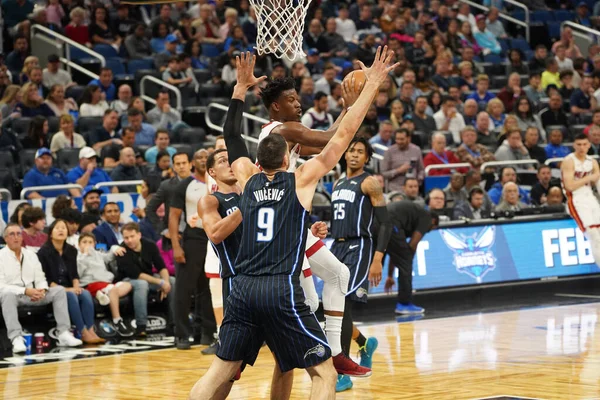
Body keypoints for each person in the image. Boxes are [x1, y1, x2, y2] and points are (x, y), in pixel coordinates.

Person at [188, 48, 395, 400]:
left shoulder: (246, 178)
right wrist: (371, 86)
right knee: (324, 375)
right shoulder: (300, 180)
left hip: (242, 290)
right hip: (279, 289)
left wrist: (240, 88)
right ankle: (336, 347)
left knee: (217, 375)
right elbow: (341, 137)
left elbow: (232, 133)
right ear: (287, 155)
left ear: (256, 160)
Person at [253, 59, 374, 383]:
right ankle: (318, 354)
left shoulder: (280, 135)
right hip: (280, 229)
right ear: (276, 107)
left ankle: (334, 353)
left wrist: (344, 112)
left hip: (287, 222)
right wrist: (351, 105)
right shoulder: (283, 129)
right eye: (292, 100)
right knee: (311, 294)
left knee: (336, 276)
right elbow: (330, 139)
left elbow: (326, 138)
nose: (299, 102)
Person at [329, 137, 392, 390]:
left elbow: (385, 223)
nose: (354, 155)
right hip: (338, 245)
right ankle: (365, 343)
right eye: (351, 151)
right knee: (332, 307)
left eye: (360, 152)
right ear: (345, 155)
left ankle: (343, 374)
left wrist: (378, 258)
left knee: (341, 304)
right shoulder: (337, 182)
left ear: (367, 158)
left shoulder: (369, 182)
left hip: (360, 247)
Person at [0, 223, 82, 353]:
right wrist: (25, 291)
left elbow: (40, 277)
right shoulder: (1, 256)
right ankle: (16, 337)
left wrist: (42, 290)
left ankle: (63, 333)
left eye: (18, 234)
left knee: (59, 291)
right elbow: (1, 286)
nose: (16, 237)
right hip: (15, 295)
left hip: (34, 294)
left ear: (22, 237)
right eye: (12, 234)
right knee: (7, 295)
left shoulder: (31, 255)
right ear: (5, 238)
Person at [169, 149, 217, 349]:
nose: (203, 160)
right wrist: (176, 246)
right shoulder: (184, 185)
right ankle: (181, 334)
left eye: (206, 157)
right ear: (192, 162)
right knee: (184, 289)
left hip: (213, 237)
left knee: (208, 288)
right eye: (199, 157)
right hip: (192, 238)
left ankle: (206, 332)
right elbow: (173, 216)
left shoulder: (216, 184)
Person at [39, 219, 109, 347]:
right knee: (71, 296)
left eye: (63, 228)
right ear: (50, 233)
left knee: (85, 294)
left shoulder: (71, 250)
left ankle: (91, 330)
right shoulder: (43, 252)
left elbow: (74, 274)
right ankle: (82, 332)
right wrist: (68, 290)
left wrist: (76, 286)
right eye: (57, 228)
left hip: (69, 286)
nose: (61, 230)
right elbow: (46, 279)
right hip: (53, 289)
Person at [116, 222, 175, 337]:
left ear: (139, 235)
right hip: (127, 280)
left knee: (172, 281)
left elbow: (161, 267)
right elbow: (137, 274)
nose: (129, 240)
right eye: (126, 238)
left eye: (132, 236)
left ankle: (174, 322)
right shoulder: (122, 251)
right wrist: (161, 282)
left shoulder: (150, 245)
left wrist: (166, 282)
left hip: (149, 278)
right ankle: (141, 326)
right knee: (142, 284)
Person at [383, 200, 439, 315]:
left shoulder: (413, 216)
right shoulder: (427, 218)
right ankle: (404, 304)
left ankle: (350, 299)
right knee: (406, 259)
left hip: (377, 221)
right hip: (391, 223)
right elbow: (412, 245)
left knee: (373, 262)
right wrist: (406, 262)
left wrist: (390, 275)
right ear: (434, 221)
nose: (427, 231)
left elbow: (396, 253)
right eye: (430, 229)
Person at [561, 134, 600, 265]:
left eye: (584, 144)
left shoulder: (592, 162)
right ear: (574, 145)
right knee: (593, 235)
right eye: (579, 144)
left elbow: (598, 182)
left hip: (591, 198)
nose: (582, 147)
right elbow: (570, 186)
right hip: (576, 200)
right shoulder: (569, 161)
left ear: (589, 145)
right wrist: (589, 178)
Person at [146, 151, 191, 236]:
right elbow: (150, 209)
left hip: (198, 233)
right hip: (175, 234)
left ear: (190, 164)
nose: (181, 166)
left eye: (184, 163)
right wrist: (163, 230)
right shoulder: (166, 186)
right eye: (178, 164)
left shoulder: (201, 183)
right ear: (173, 167)